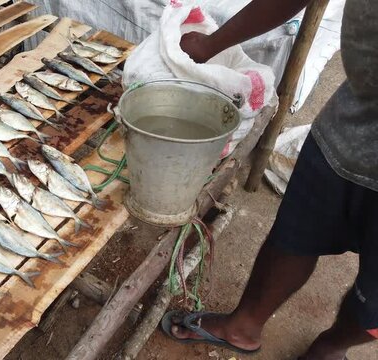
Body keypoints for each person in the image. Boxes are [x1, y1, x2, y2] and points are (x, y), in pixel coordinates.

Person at [160, 0, 378, 359]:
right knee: (295, 235)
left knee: (376, 301)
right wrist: (211, 44)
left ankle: (331, 345)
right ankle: (243, 326)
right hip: (349, 129)